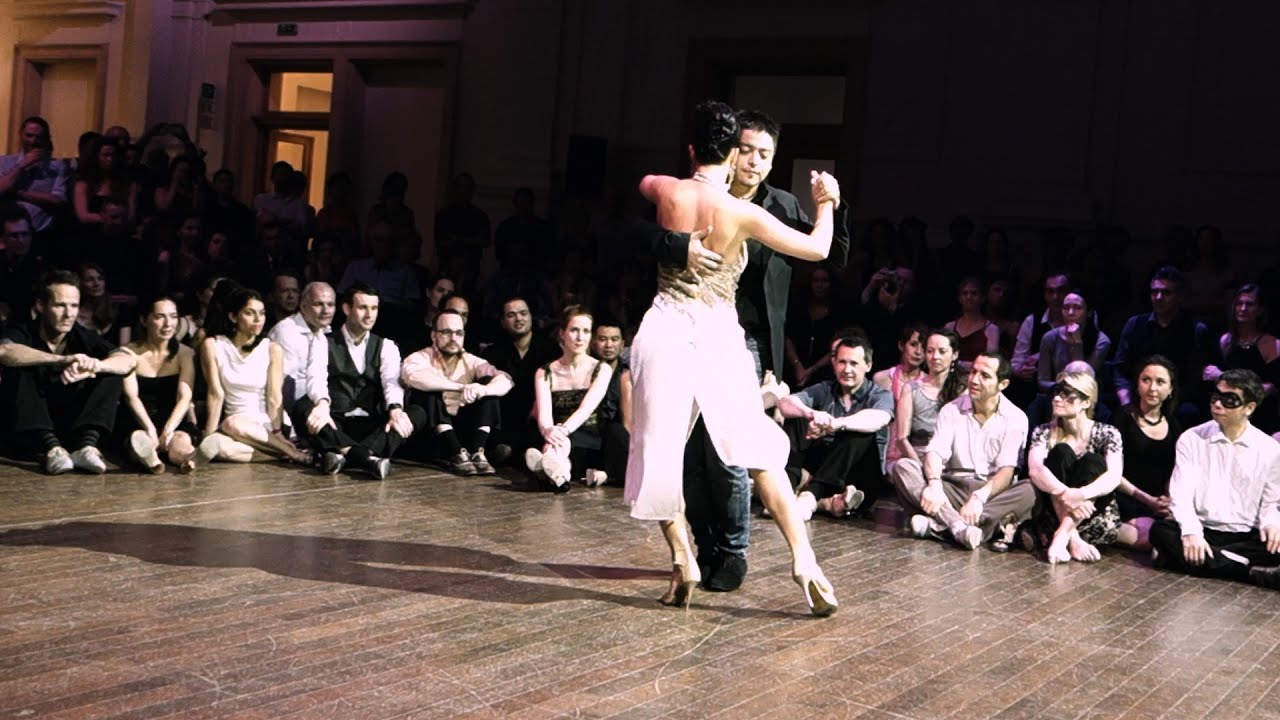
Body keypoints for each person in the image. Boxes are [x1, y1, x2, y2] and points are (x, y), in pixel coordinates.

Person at [629, 100, 840, 615]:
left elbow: (643, 184)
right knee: (756, 451)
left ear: (693, 149)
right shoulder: (743, 212)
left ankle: (683, 558)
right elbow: (818, 250)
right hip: (719, 334)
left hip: (665, 328)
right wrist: (827, 202)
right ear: (731, 154)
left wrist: (674, 239)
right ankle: (804, 561)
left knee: (660, 453)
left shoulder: (666, 188)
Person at [683, 108, 850, 595]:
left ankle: (733, 551)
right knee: (692, 450)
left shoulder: (778, 206)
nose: (754, 161)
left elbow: (831, 255)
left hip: (747, 341)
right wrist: (678, 248)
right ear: (730, 153)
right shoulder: (701, 195)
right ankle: (707, 545)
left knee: (730, 450)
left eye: (764, 154)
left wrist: (830, 205)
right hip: (692, 332)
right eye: (747, 150)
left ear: (773, 161)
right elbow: (643, 231)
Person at [1149, 369, 1280, 588]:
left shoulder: (1270, 449)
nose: (1218, 404)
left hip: (1245, 535)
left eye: (1229, 400)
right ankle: (1249, 573)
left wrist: (1272, 524)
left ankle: (1193, 560)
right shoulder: (1191, 439)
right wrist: (1191, 532)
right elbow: (1180, 494)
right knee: (1160, 532)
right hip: (1203, 529)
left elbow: (1270, 503)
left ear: (1249, 408)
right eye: (1216, 397)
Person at [890, 352, 1034, 550]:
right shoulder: (951, 410)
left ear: (1003, 384)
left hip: (989, 493)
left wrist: (978, 499)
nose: (974, 380)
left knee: (1031, 490)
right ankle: (959, 526)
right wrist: (934, 485)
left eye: (984, 375)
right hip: (952, 488)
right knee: (903, 467)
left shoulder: (1016, 418)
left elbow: (1007, 472)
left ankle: (939, 527)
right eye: (973, 372)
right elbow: (935, 452)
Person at [0, 270, 137, 473]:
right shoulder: (23, 330)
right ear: (41, 306)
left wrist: (94, 366)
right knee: (22, 368)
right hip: (29, 433)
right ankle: (52, 449)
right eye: (60, 305)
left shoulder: (81, 335)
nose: (69, 314)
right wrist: (63, 360)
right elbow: (4, 351)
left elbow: (128, 360)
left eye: (74, 305)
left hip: (69, 426)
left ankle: (87, 447)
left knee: (110, 371)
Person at [296, 284, 425, 480]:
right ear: (347, 309)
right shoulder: (323, 341)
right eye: (363, 308)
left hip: (372, 425)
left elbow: (391, 382)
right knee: (303, 407)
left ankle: (345, 454)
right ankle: (367, 459)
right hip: (335, 422)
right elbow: (316, 376)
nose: (369, 315)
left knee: (418, 413)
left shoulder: (386, 345)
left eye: (374, 308)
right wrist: (322, 404)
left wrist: (396, 408)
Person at [780, 336, 893, 520]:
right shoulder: (826, 388)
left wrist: (835, 424)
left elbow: (880, 418)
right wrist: (811, 414)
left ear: (868, 365)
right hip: (824, 469)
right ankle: (789, 493)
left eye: (854, 363)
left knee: (858, 431)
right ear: (834, 363)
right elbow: (785, 403)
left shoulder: (879, 394)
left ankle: (810, 498)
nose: (847, 370)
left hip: (860, 477)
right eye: (842, 362)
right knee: (798, 417)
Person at [197, 284, 312, 464]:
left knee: (232, 423)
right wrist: (209, 436)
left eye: (262, 313)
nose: (258, 319)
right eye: (250, 313)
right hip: (233, 430)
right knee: (217, 446)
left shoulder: (272, 349)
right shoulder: (213, 345)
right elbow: (215, 394)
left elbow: (274, 397)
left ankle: (289, 450)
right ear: (233, 316)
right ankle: (282, 455)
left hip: (266, 426)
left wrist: (277, 432)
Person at [1022, 370, 1125, 563]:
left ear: (1086, 402)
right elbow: (1035, 470)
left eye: (1067, 395)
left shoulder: (1108, 433)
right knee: (1061, 452)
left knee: (1092, 461)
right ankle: (1073, 538)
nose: (1058, 399)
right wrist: (1066, 493)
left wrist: (1081, 495)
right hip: (1053, 513)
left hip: (1092, 515)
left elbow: (1114, 476)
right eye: (1057, 393)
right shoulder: (1043, 432)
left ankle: (1062, 536)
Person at [401, 309, 513, 475]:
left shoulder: (472, 361)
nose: (453, 339)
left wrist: (482, 389)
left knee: (488, 388)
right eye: (446, 332)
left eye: (458, 333)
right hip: (432, 436)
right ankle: (454, 451)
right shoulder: (420, 357)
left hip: (463, 432)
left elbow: (506, 381)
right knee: (428, 391)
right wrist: (460, 387)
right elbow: (413, 377)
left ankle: (477, 452)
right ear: (434, 335)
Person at [1110, 266, 1212, 426]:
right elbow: (1120, 368)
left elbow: (1193, 380)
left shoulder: (1195, 330)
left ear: (1180, 297)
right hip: (1137, 397)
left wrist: (1160, 402)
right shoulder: (1135, 324)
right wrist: (1126, 399)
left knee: (1189, 412)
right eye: (1154, 292)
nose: (1158, 297)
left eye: (1166, 293)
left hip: (1176, 400)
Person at [526, 305, 614, 491]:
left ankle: (548, 469)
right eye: (574, 330)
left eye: (586, 331)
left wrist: (562, 432)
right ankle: (559, 476)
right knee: (548, 441)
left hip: (586, 433)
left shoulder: (601, 369)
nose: (580, 337)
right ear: (562, 334)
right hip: (553, 432)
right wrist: (548, 432)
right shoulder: (545, 372)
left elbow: (586, 409)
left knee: (565, 444)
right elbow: (544, 413)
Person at [120, 297, 200, 473]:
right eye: (159, 317)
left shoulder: (185, 353)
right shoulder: (129, 353)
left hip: (173, 420)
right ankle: (152, 460)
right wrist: (149, 428)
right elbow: (131, 397)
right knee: (140, 439)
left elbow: (185, 397)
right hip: (139, 421)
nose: (167, 324)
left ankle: (188, 459)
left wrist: (168, 430)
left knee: (180, 441)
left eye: (173, 316)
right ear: (144, 320)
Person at [1113, 356, 1181, 549]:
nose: (1152, 388)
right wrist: (1149, 501)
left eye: (1160, 382)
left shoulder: (1174, 424)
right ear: (1137, 385)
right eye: (1146, 380)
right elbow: (1112, 472)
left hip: (1157, 503)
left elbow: (1172, 470)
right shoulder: (1122, 418)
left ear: (1170, 390)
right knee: (1147, 538)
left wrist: (1166, 500)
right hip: (1126, 497)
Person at [481, 297, 561, 460]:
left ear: (531, 317)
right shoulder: (492, 353)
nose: (519, 318)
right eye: (511, 315)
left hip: (537, 418)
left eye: (523, 313)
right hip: (504, 419)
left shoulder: (550, 349)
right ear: (503, 322)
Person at [1202, 284, 1279, 434]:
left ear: (1260, 310)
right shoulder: (1226, 341)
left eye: (1249, 304)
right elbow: (1208, 375)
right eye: (1239, 303)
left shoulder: (1271, 344)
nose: (1243, 309)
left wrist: (1222, 377)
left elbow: (1268, 389)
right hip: (1227, 410)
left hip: (1258, 414)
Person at [887, 328, 964, 471]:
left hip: (951, 459)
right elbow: (902, 439)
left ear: (954, 355)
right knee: (902, 468)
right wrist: (923, 469)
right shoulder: (911, 389)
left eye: (942, 351)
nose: (935, 356)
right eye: (930, 351)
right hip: (918, 459)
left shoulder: (962, 391)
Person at [268, 282, 336, 423]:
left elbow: (318, 376)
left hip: (316, 400)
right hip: (292, 408)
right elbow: (282, 385)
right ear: (303, 307)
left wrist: (322, 402)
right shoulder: (286, 331)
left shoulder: (324, 333)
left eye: (330, 305)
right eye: (318, 304)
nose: (326, 310)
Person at [0, 116, 67, 245]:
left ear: (46, 138)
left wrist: (18, 193)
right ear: (20, 135)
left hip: (41, 236)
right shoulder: (5, 162)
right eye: (29, 135)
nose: (33, 141)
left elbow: (57, 200)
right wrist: (22, 165)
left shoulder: (57, 166)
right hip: (8, 237)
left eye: (38, 137)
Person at [591, 318, 631, 486]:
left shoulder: (628, 373)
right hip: (590, 430)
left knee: (617, 432)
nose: (608, 345)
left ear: (622, 344)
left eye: (614, 339)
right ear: (593, 342)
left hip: (615, 432)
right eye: (603, 339)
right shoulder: (587, 368)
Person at [944, 276, 999, 370]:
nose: (969, 297)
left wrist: (958, 364)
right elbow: (943, 357)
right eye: (965, 293)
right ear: (960, 298)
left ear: (982, 298)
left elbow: (990, 363)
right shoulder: (949, 327)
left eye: (974, 293)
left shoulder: (991, 329)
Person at [871, 323, 926, 399]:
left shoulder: (928, 383)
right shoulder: (881, 378)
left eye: (923, 347)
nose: (918, 352)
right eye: (913, 344)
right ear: (901, 345)